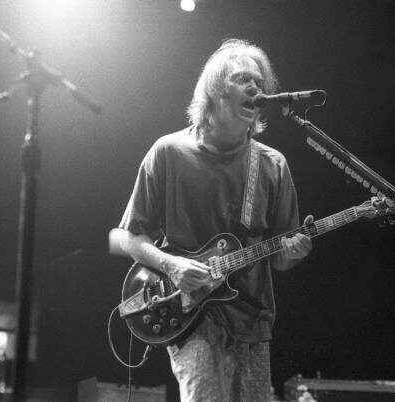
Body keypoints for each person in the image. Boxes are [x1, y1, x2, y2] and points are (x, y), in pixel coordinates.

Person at [116, 39, 313, 402]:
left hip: (253, 320)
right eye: (243, 79)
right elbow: (130, 237)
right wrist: (172, 265)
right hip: (191, 315)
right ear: (214, 90)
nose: (255, 88)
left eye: (259, 82)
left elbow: (281, 259)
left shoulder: (272, 164)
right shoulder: (168, 152)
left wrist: (295, 252)